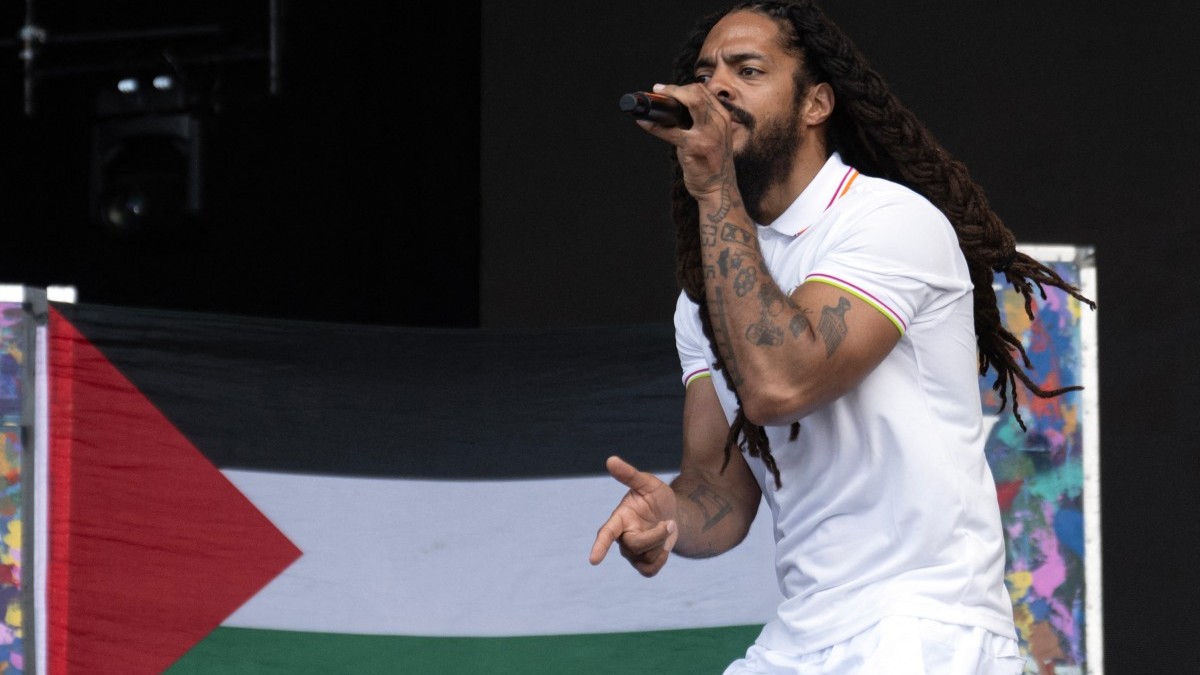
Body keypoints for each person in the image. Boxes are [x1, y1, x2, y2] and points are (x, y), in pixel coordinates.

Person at [588, 1, 1095, 673]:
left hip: (921, 627)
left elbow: (780, 383)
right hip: (805, 634)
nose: (717, 89)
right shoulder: (705, 297)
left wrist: (714, 187)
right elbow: (724, 492)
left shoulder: (886, 222)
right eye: (706, 74)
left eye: (748, 70)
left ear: (816, 103)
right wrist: (669, 516)